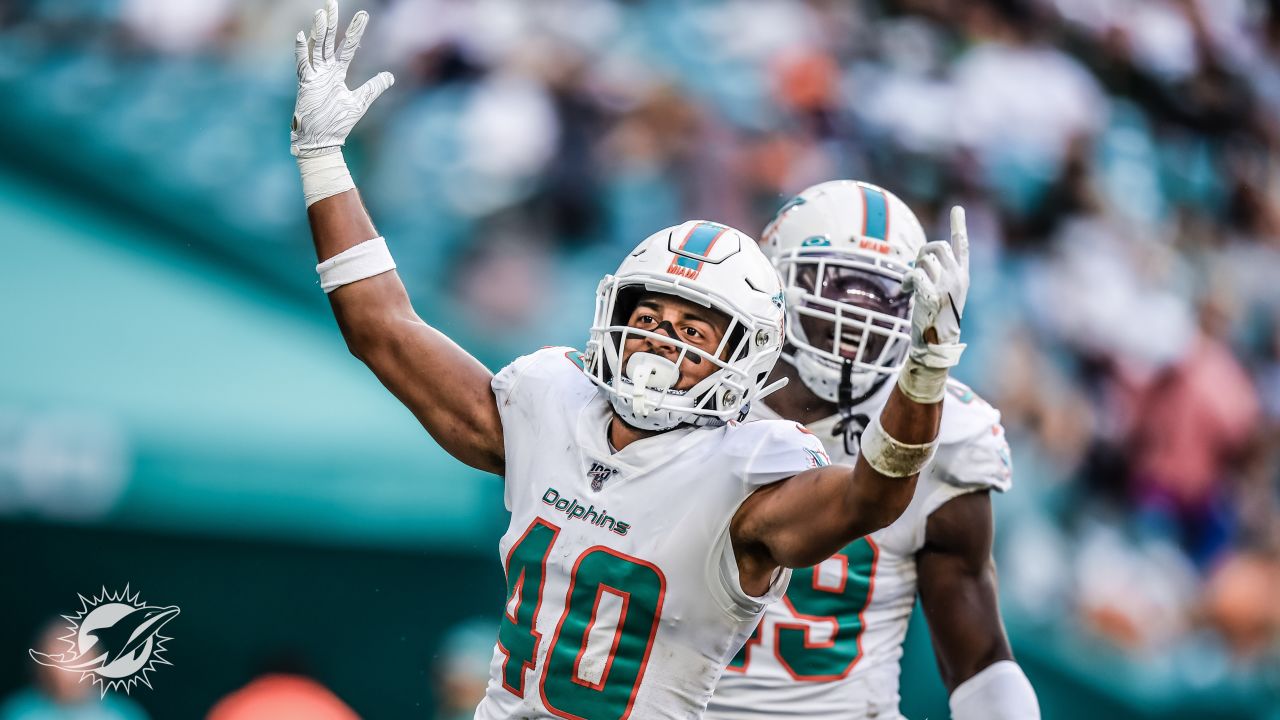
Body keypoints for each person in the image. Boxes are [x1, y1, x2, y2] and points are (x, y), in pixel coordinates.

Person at [289, 4, 969, 716]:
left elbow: (874, 494)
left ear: (747, 357)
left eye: (694, 331)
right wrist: (323, 159)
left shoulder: (746, 474)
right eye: (648, 318)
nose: (661, 341)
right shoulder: (550, 406)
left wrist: (923, 372)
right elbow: (382, 328)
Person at [706, 180, 1039, 720]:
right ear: (773, 281)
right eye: (836, 287)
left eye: (885, 295)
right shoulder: (696, 392)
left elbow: (979, 661)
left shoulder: (946, 431)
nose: (858, 318)